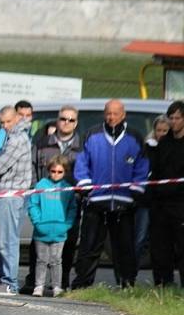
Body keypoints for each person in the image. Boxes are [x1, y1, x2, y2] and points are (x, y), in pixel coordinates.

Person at [71, 99, 149, 290]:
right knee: (89, 246)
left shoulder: (135, 137)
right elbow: (81, 163)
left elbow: (142, 166)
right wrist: (86, 186)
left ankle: (126, 284)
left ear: (123, 115)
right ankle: (82, 285)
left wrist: (135, 191)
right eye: (108, 113)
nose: (111, 117)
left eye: (115, 113)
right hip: (96, 201)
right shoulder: (92, 135)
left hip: (124, 203)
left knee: (125, 248)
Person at [22, 106, 83, 293]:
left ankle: (61, 283)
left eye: (71, 120)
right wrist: (34, 189)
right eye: (63, 119)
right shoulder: (42, 143)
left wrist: (78, 195)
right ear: (57, 120)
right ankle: (35, 281)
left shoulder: (81, 148)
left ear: (76, 123)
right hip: (44, 203)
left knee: (67, 246)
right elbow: (31, 166)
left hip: (68, 204)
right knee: (38, 248)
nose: (66, 123)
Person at [0, 107, 32, 296]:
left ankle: (9, 282)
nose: (4, 126)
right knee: (5, 239)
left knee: (8, 240)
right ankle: (4, 279)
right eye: (2, 122)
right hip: (9, 194)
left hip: (10, 195)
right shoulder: (15, 136)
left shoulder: (16, 139)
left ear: (16, 119)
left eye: (8, 122)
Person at [27, 156, 77, 297]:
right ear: (48, 170)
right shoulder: (41, 185)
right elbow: (33, 204)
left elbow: (72, 208)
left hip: (60, 232)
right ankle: (39, 286)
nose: (56, 174)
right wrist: (37, 222)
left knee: (56, 261)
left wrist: (67, 225)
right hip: (41, 231)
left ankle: (57, 286)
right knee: (41, 260)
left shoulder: (67, 188)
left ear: (65, 172)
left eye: (59, 172)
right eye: (53, 171)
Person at [148, 100, 184, 287]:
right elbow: (155, 172)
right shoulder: (164, 144)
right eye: (171, 118)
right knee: (161, 247)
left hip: (180, 205)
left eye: (177, 118)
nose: (173, 122)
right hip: (161, 205)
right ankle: (163, 284)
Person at [134, 115, 170, 268]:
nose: (161, 134)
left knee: (163, 239)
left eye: (165, 131)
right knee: (139, 237)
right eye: (158, 130)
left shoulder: (172, 147)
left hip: (166, 200)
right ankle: (130, 273)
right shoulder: (147, 148)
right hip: (146, 200)